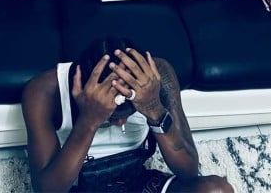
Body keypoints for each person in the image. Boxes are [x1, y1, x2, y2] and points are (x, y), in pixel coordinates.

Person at [22, 37, 234, 192]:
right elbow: (47, 190)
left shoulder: (156, 76)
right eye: (111, 118)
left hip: (137, 182)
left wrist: (153, 108)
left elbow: (188, 170)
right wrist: (88, 121)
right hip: (78, 187)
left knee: (217, 190)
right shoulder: (44, 91)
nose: (121, 122)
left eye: (129, 113)